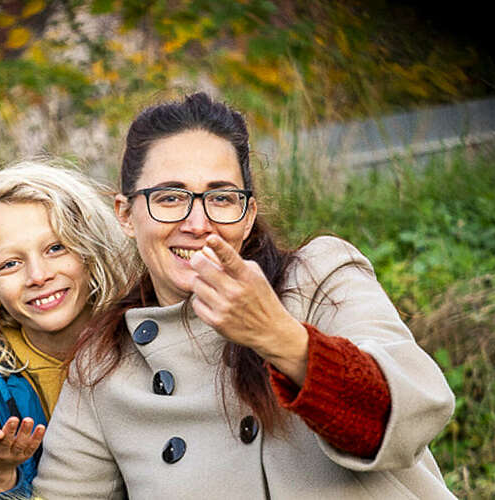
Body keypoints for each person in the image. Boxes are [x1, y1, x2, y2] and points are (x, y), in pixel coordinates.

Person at [33, 92, 455, 498]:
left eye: (220, 198)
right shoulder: (105, 364)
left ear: (248, 215)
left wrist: (281, 339)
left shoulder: (319, 276)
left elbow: (409, 417)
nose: (198, 223)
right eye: (170, 197)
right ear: (126, 215)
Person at [0, 162, 138, 498]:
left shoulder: (145, 343)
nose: (38, 275)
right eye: (10, 264)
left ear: (91, 253)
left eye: (56, 248)